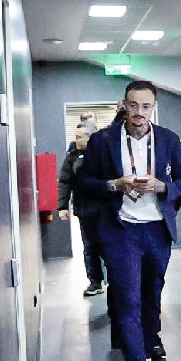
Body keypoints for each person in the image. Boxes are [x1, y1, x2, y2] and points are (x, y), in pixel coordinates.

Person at [77, 80, 181, 361]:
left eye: (146, 106)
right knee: (128, 298)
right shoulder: (103, 140)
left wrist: (163, 187)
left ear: (154, 107)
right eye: (133, 105)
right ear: (124, 105)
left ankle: (148, 344)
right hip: (121, 230)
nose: (139, 112)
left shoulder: (168, 139)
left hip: (156, 231)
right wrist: (115, 184)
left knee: (152, 295)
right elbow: (84, 182)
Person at [57, 122, 105, 296]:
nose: (75, 140)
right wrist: (62, 207)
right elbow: (65, 182)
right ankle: (95, 282)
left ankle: (116, 281)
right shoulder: (73, 157)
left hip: (105, 210)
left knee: (109, 246)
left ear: (90, 138)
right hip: (85, 210)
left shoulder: (105, 155)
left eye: (79, 137)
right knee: (90, 247)